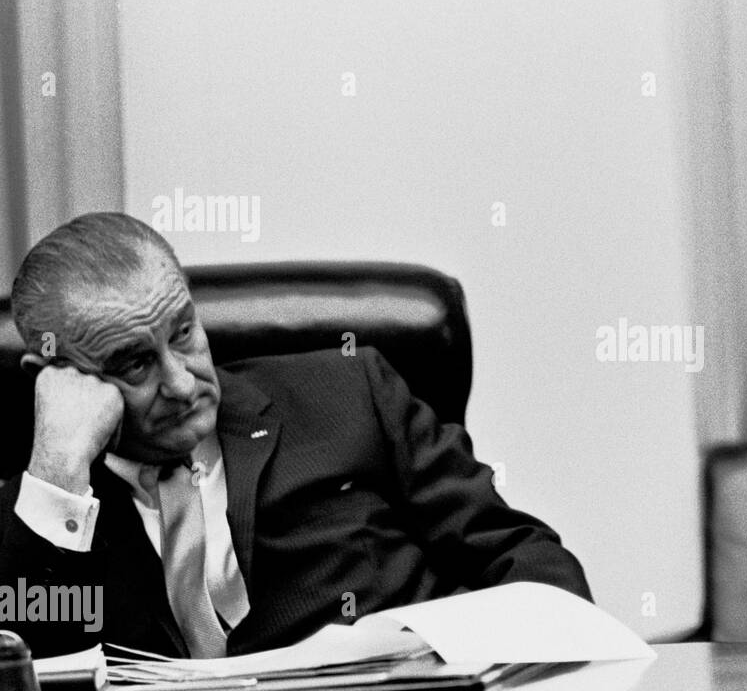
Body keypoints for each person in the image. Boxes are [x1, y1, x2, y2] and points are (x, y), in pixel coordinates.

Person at [0, 212, 590, 657]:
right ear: (56, 379)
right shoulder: (35, 517)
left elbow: (529, 561)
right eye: (134, 365)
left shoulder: (348, 395)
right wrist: (56, 476)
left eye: (183, 333)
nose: (181, 384)